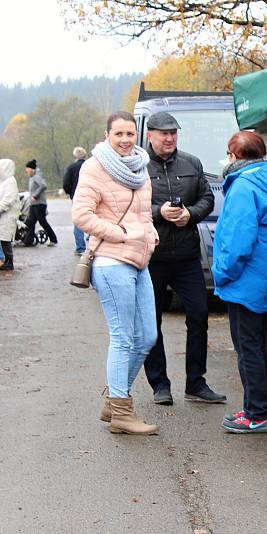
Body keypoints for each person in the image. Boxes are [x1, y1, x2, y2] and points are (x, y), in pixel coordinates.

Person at [72, 111, 160, 435]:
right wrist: (121, 233)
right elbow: (81, 215)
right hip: (110, 261)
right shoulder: (94, 168)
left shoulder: (140, 166)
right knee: (123, 337)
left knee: (147, 336)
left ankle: (113, 397)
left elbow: (144, 211)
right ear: (107, 135)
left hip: (139, 259)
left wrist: (150, 233)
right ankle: (122, 413)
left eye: (128, 133)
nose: (124, 140)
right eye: (118, 134)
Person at [143, 111, 225, 406]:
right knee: (151, 322)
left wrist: (190, 214)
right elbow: (129, 205)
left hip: (188, 254)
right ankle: (159, 384)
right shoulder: (139, 167)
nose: (169, 138)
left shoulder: (192, 163)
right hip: (152, 256)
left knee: (199, 317)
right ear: (150, 135)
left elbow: (207, 199)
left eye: (173, 133)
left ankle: (196, 382)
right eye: (163, 133)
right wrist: (158, 213)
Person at [212, 131, 267, 433]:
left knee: (248, 349)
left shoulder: (243, 186)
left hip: (246, 281)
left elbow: (237, 239)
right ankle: (255, 409)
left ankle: (256, 414)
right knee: (254, 346)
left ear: (234, 156)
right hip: (263, 276)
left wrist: (221, 272)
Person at [22, 159, 58, 246]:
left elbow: (43, 185)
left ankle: (53, 239)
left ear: (31, 169)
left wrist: (35, 195)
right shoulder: (31, 177)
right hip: (33, 204)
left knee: (42, 222)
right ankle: (28, 240)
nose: (26, 170)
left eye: (27, 168)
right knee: (31, 222)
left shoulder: (37, 177)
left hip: (39, 204)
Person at [62, 146, 87, 255]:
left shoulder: (71, 167)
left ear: (75, 156)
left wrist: (70, 193)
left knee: (78, 222)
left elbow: (66, 183)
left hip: (77, 196)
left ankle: (80, 248)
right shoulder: (89, 165)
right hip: (92, 195)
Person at [0, 159, 20, 270]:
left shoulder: (11, 181)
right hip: (3, 214)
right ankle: (5, 261)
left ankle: (9, 261)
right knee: (2, 237)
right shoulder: (4, 181)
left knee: (5, 238)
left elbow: (8, 199)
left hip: (7, 215)